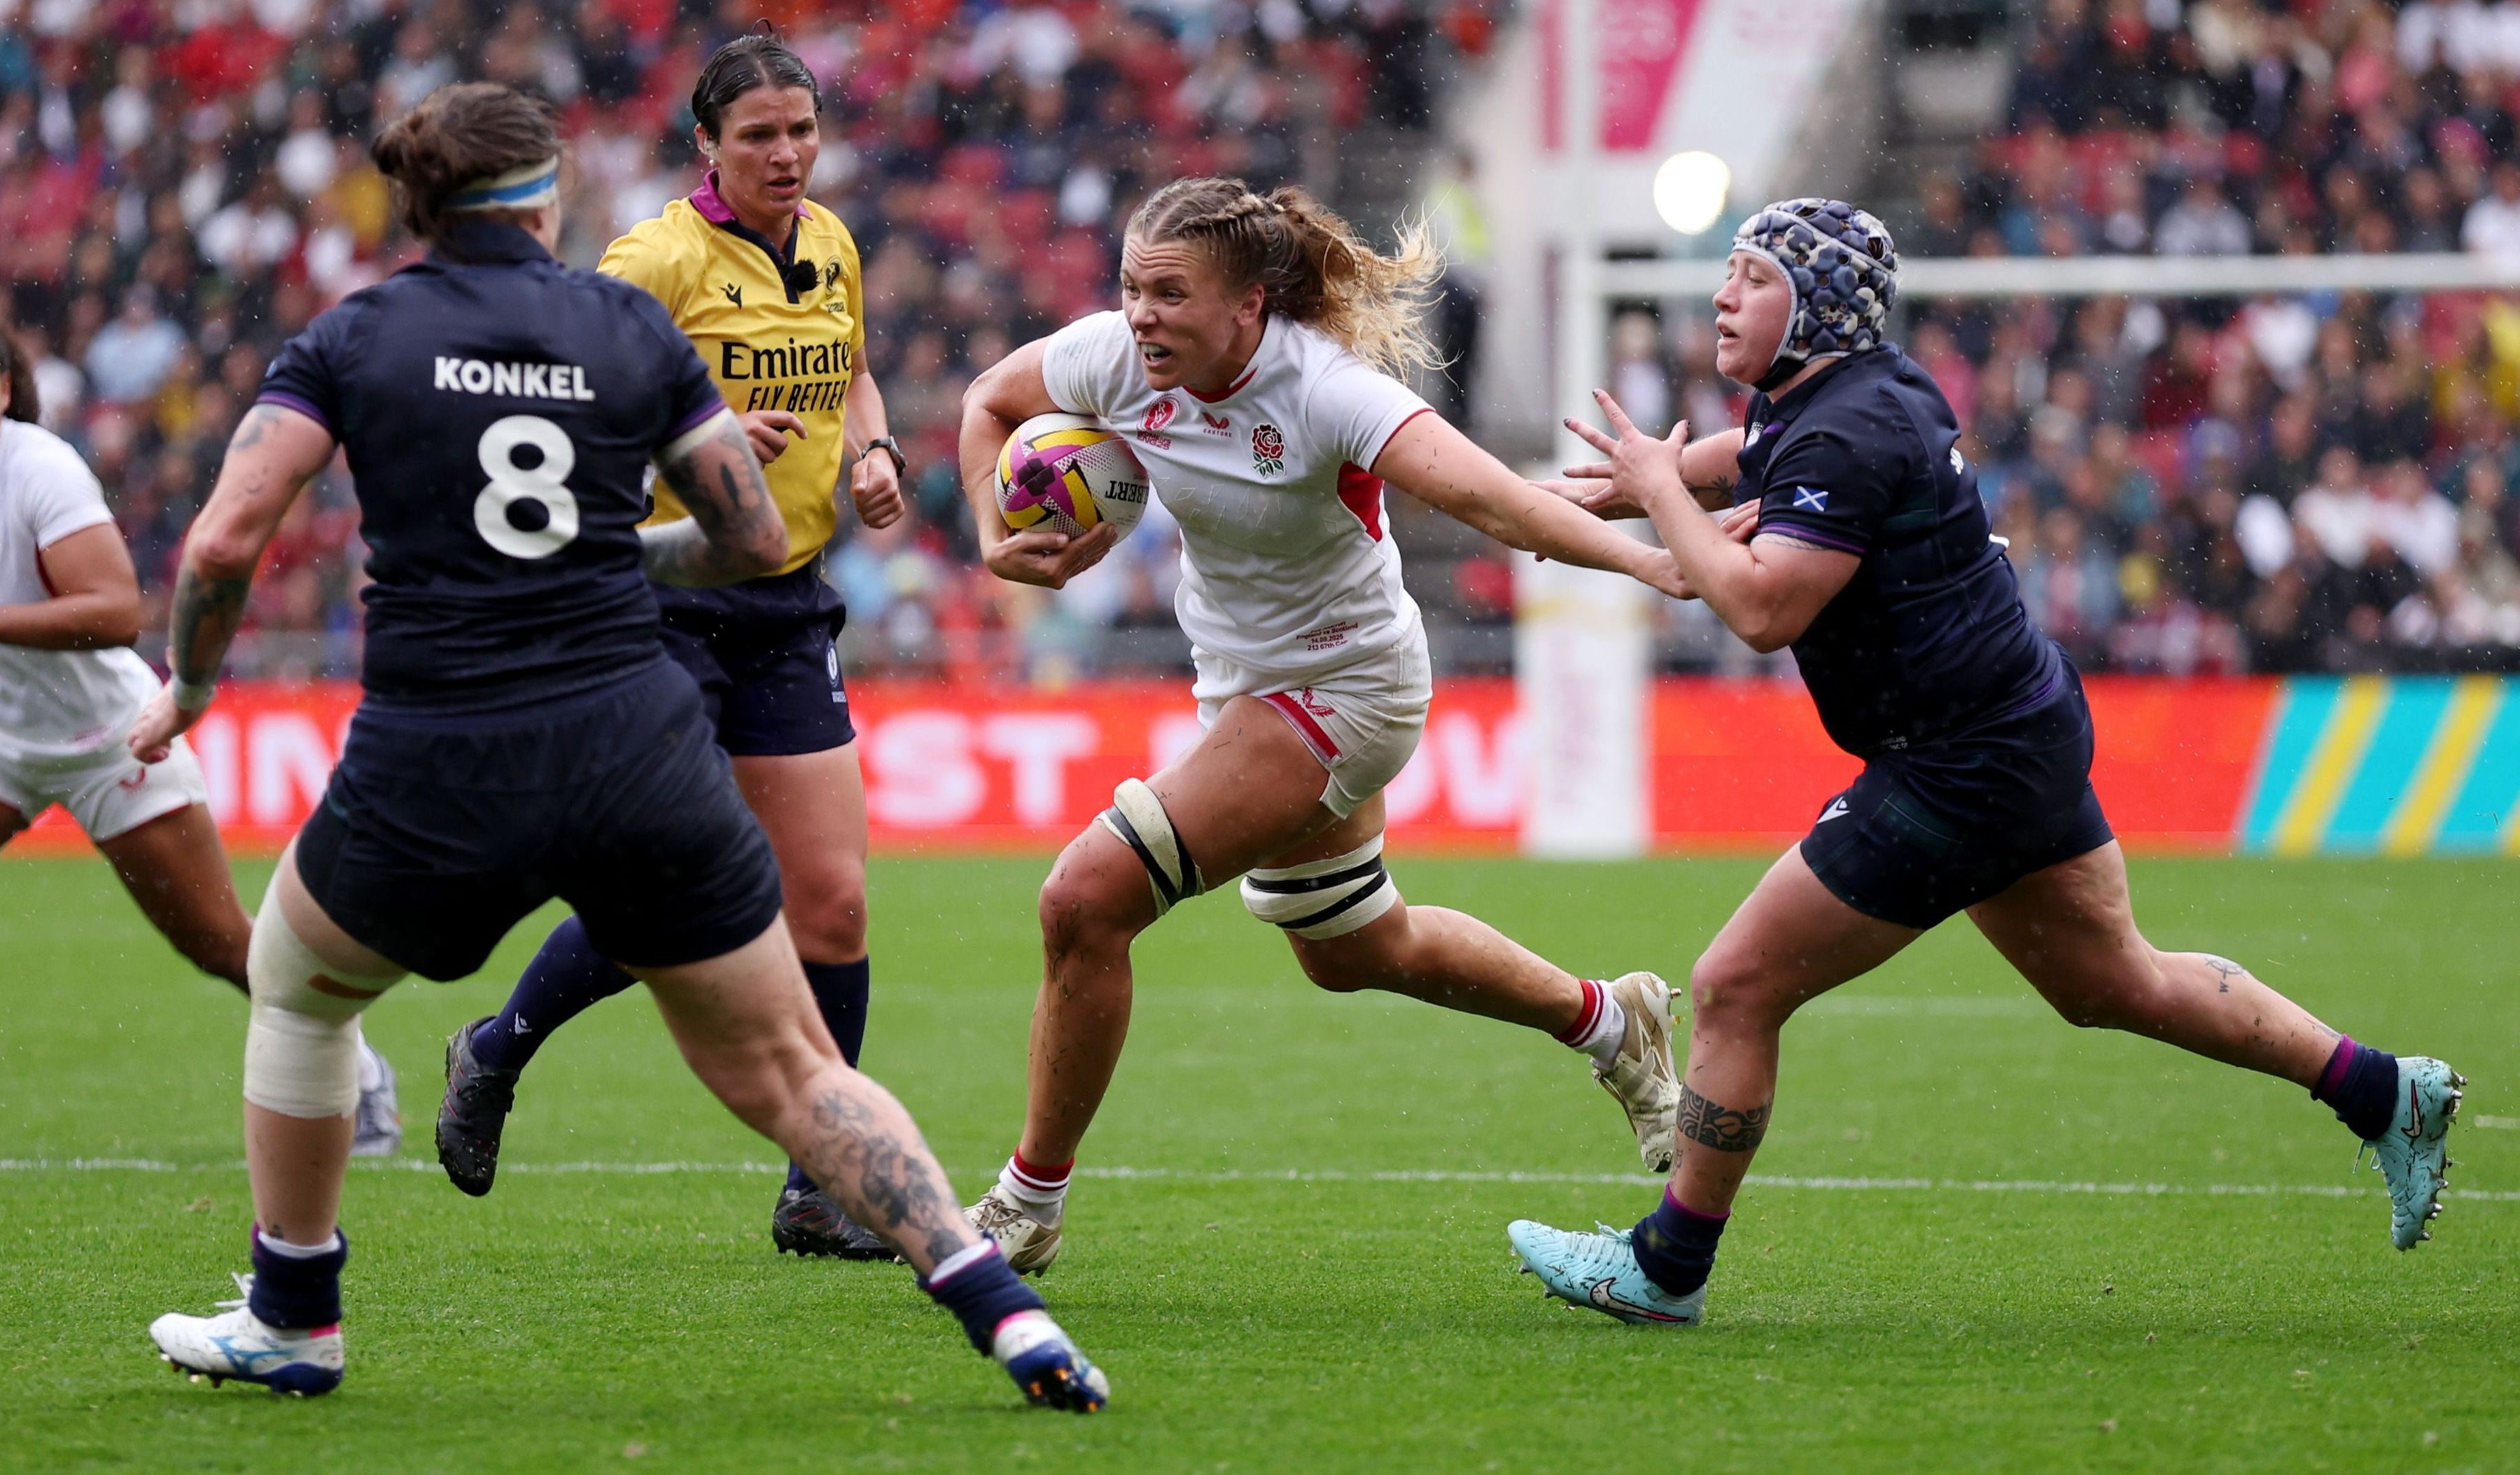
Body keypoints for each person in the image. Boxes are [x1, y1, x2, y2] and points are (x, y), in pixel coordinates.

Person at [133, 84, 1105, 1410]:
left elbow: (226, 540)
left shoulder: (354, 334)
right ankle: (1009, 1316)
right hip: (630, 734)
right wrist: (599, 553)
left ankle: (296, 1311)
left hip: (440, 747)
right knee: (795, 1067)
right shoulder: (628, 318)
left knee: (298, 989)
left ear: (412, 203)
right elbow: (753, 536)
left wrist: (189, 685)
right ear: (548, 197)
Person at [1506, 198, 2463, 1327]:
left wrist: (1659, 491)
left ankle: (1665, 1267)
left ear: (1812, 309)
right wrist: (1662, 477)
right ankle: (2380, 1089)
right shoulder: (1856, 393)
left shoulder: (1843, 430)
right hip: (2016, 730)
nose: (1720, 295)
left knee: (1734, 984)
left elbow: (1761, 609)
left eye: (1749, 277)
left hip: (1953, 764)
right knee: (2114, 980)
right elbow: (1749, 456)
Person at [954, 176, 1723, 1272]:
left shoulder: (1326, 392)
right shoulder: (1114, 360)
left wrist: (1654, 557)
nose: (1139, 315)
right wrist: (991, 521)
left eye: (1168, 293)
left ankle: (1023, 1206)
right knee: (1357, 947)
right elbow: (990, 396)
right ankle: (1610, 1020)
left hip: (1344, 687)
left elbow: (1493, 500)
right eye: (1130, 287)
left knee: (1084, 897)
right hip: (1242, 684)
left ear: (1249, 305)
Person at [430, 30, 908, 1262]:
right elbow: (551, 422)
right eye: (759, 135)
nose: (787, 154)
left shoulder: (832, 239)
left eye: (801, 130)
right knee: (670, 885)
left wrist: (873, 448)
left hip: (789, 602)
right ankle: (496, 1049)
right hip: (660, 601)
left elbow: (851, 366)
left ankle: (820, 1184)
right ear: (706, 143)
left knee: (836, 902)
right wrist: (684, 452)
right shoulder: (650, 261)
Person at [0, 308, 398, 1161]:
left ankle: (359, 1069)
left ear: (6, 388)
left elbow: (119, 611)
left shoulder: (40, 471)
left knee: (222, 945)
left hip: (109, 737)